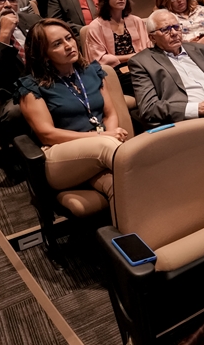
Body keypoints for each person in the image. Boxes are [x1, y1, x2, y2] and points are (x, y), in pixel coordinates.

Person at [17, 19, 129, 212]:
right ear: (43, 54)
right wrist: (102, 136)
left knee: (121, 185)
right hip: (61, 156)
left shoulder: (92, 71)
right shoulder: (32, 85)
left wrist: (112, 135)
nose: (68, 45)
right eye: (57, 44)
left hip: (104, 151)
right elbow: (47, 135)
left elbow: (109, 113)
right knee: (107, 147)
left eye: (69, 38)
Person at [129, 9, 204, 125]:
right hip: (191, 122)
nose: (174, 33)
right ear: (152, 38)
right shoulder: (142, 62)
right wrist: (198, 109)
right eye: (165, 30)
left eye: (176, 27)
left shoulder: (202, 50)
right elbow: (149, 108)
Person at [85, 0, 151, 73]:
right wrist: (133, 56)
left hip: (141, 66)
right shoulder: (95, 26)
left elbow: (147, 49)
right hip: (113, 71)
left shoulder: (136, 21)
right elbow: (99, 59)